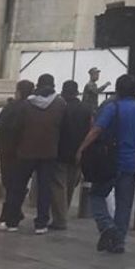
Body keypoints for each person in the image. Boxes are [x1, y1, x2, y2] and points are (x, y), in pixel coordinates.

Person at [77, 73, 135, 253]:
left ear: (117, 89)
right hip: (130, 163)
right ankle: (119, 241)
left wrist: (81, 148)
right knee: (124, 204)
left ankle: (107, 226)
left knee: (96, 195)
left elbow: (96, 130)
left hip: (110, 161)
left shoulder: (113, 107)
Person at [4, 72, 66, 235]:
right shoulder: (60, 104)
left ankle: (12, 221)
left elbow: (17, 128)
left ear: (38, 86)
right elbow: (63, 128)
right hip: (49, 152)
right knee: (45, 188)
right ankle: (41, 223)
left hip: (26, 151)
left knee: (18, 187)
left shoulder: (26, 105)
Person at [0, 79, 34, 230]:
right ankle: (12, 213)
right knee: (18, 185)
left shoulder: (12, 106)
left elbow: (1, 125)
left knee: (10, 184)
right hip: (25, 151)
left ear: (19, 91)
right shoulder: (32, 108)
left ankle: (10, 216)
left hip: (8, 150)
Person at [50, 80, 92, 232]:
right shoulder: (86, 109)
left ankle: (60, 219)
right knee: (70, 185)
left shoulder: (61, 108)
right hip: (79, 152)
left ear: (63, 92)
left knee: (59, 185)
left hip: (61, 151)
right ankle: (63, 213)